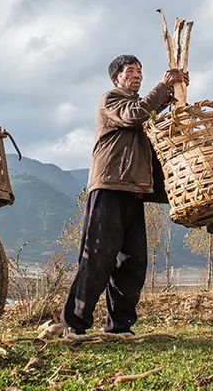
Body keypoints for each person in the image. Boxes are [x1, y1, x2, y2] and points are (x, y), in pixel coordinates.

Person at [61, 54, 188, 335]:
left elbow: (151, 118)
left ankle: (119, 326)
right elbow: (135, 115)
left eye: (141, 71)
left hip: (134, 191)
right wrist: (162, 87)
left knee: (133, 262)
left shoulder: (143, 106)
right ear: (116, 77)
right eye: (131, 71)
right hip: (109, 186)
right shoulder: (112, 100)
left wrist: (174, 96)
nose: (138, 75)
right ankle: (75, 323)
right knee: (98, 255)